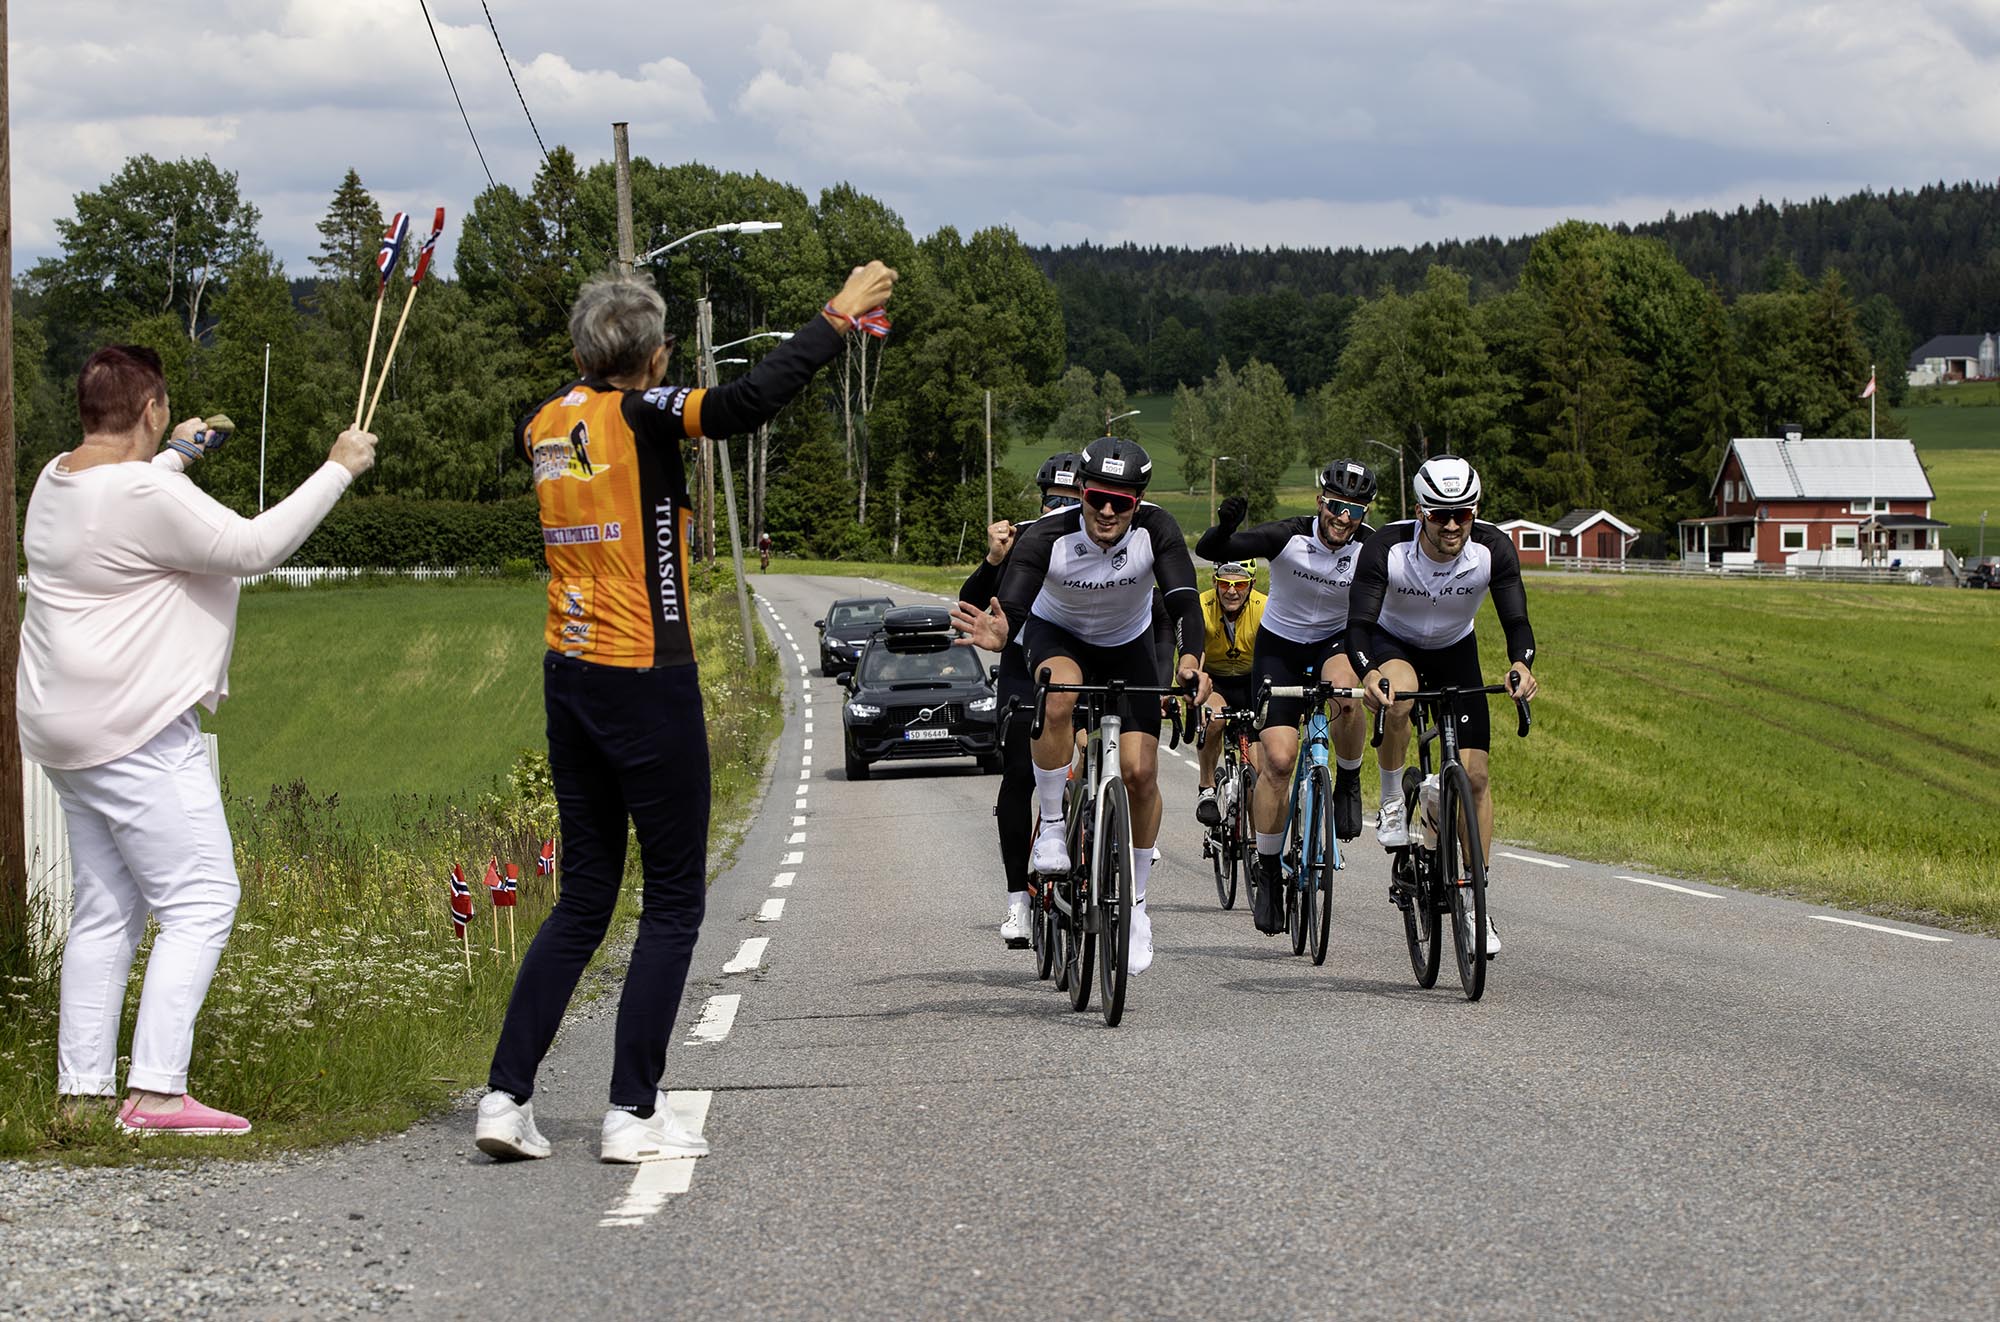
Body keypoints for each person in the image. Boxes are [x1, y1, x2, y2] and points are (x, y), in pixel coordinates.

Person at [478, 261, 898, 1163]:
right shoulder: (643, 410)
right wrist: (836, 319)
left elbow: (609, 399)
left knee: (587, 896)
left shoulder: (544, 423)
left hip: (569, 670)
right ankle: (632, 1111)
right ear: (658, 356)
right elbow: (746, 406)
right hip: (644, 673)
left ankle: (505, 1099)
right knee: (672, 899)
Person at [18, 344, 379, 1135]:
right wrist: (339, 468)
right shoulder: (143, 492)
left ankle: (80, 1098)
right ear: (148, 410)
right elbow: (253, 549)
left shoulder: (55, 481)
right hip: (136, 727)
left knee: (107, 906)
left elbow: (133, 503)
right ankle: (153, 1094)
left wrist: (177, 456)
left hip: (60, 727)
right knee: (203, 896)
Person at [950, 437, 1207, 977]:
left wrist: (1189, 662)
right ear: (1081, 495)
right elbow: (1015, 599)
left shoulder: (1158, 530)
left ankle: (1136, 905)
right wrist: (1002, 631)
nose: (1107, 511)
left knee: (1140, 773)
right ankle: (1050, 827)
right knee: (1059, 694)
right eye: (1096, 499)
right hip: (1059, 634)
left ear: (1138, 501)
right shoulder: (1048, 534)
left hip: (1128, 643)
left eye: (1121, 501)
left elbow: (1183, 597)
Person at [1346, 455, 1539, 957]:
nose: (1452, 525)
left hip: (1457, 649)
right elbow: (1359, 627)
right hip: (1396, 643)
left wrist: (1521, 664)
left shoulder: (1493, 548)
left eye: (1463, 514)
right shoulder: (1385, 547)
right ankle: (1391, 800)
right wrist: (1369, 673)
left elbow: (1517, 621)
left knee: (1475, 779)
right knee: (1402, 696)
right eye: (1438, 514)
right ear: (1419, 511)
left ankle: (1475, 902)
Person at [1196, 459, 1377, 935]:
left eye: (1355, 511)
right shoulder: (1288, 536)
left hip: (1336, 643)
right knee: (1277, 761)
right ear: (1321, 502)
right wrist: (1225, 527)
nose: (1343, 518)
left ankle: (1349, 783)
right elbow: (1209, 549)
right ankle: (1271, 872)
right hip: (1279, 650)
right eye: (1336, 507)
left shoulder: (1371, 546)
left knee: (1348, 694)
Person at [956, 452, 1081, 948]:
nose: (1063, 511)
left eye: (1073, 502)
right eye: (1054, 501)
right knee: (1019, 775)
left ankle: (1104, 830)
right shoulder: (1023, 539)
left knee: (1104, 745)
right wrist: (993, 558)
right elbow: (970, 603)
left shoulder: (1102, 539)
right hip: (1022, 667)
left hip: (1081, 662)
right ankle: (1017, 901)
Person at [1193, 561, 1266, 824]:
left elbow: (1274, 656)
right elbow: (1195, 651)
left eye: (1239, 585)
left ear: (1251, 585)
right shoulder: (1201, 606)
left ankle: (1258, 850)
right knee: (1214, 718)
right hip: (1216, 680)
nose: (1231, 591)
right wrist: (1196, 691)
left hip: (1251, 681)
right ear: (1214, 582)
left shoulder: (1264, 607)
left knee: (1259, 775)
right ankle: (1207, 787)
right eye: (1225, 584)